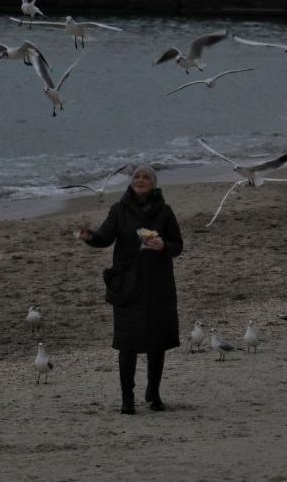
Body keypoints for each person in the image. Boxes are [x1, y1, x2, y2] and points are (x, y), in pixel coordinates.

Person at [78, 164, 183, 414]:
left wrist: (163, 246)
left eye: (146, 177)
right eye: (137, 176)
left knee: (157, 342)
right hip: (128, 285)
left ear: (154, 184)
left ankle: (154, 394)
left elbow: (178, 245)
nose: (141, 180)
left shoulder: (165, 211)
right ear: (131, 182)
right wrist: (90, 237)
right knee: (127, 344)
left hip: (158, 284)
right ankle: (127, 398)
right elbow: (105, 237)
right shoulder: (119, 209)